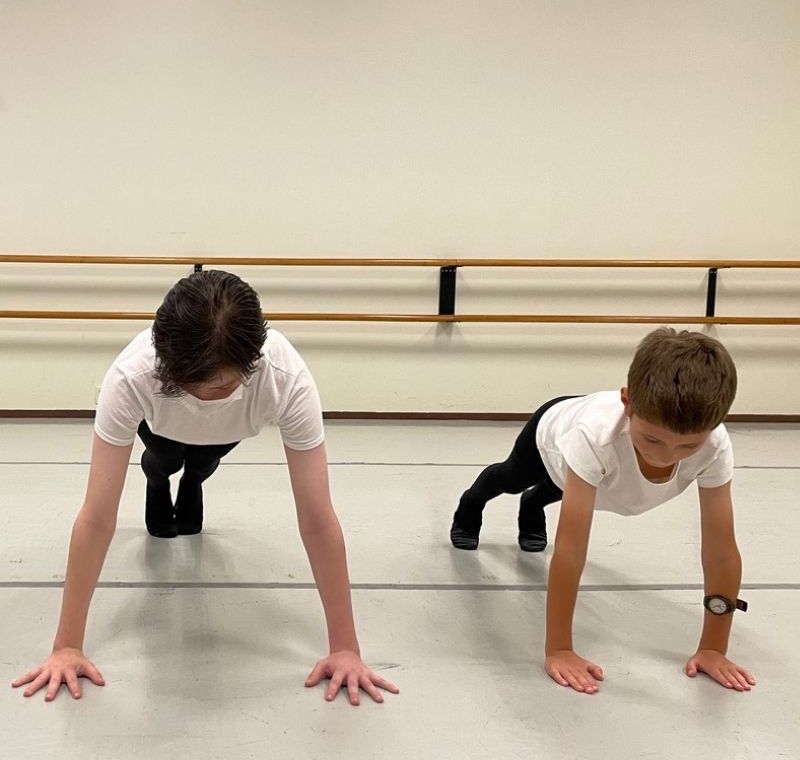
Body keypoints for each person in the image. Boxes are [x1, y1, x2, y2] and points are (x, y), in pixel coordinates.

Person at [12, 269, 398, 705]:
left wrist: (345, 647)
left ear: (252, 362)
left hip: (230, 431)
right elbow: (97, 516)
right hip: (160, 428)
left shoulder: (284, 378)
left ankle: (192, 482)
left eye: (221, 386)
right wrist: (67, 645)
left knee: (201, 465)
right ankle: (157, 482)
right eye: (193, 387)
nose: (207, 398)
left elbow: (317, 519)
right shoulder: (132, 375)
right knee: (163, 462)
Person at [450, 327, 755, 695]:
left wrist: (713, 647)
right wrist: (560, 649)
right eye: (652, 439)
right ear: (626, 402)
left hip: (594, 470)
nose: (665, 456)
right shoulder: (593, 436)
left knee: (554, 492)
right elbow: (571, 548)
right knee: (512, 479)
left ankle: (533, 506)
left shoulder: (715, 446)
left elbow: (721, 552)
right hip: (550, 434)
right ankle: (472, 502)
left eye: (688, 445)